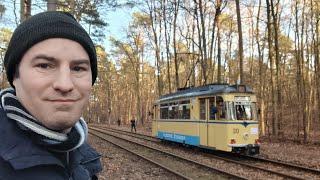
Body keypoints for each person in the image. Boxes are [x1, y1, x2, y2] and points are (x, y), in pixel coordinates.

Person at [0, 11, 102, 179]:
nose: (65, 84)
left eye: (78, 68)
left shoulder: (83, 156)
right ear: (15, 76)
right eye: (45, 65)